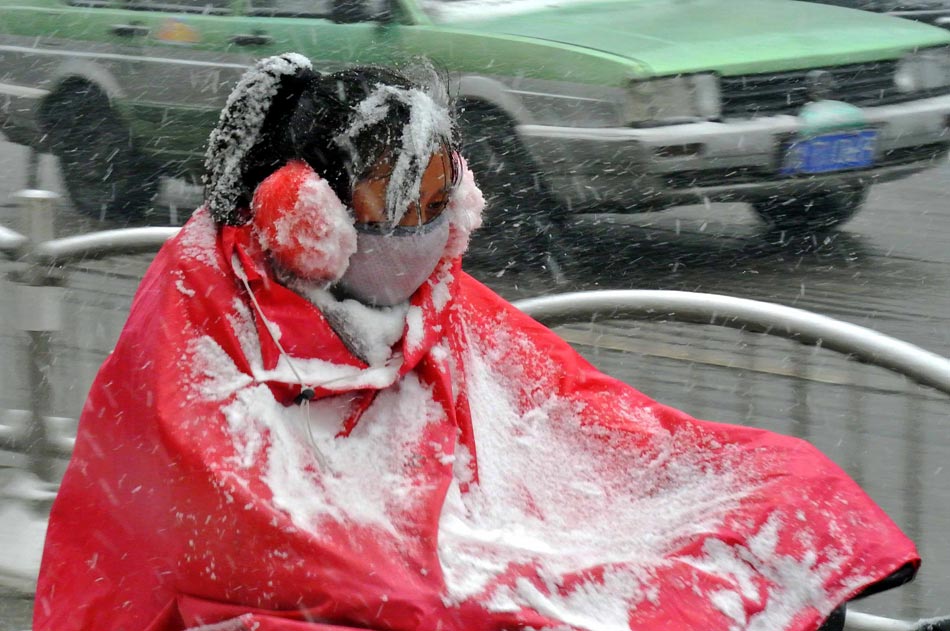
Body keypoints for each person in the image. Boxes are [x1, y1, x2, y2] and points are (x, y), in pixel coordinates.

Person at [33, 53, 918, 631]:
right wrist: (487, 587)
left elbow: (570, 408)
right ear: (303, 218)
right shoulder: (201, 327)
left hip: (466, 537)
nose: (421, 233)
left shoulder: (426, 295)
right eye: (392, 202)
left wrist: (678, 485)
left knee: (764, 493)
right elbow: (259, 528)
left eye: (435, 199)